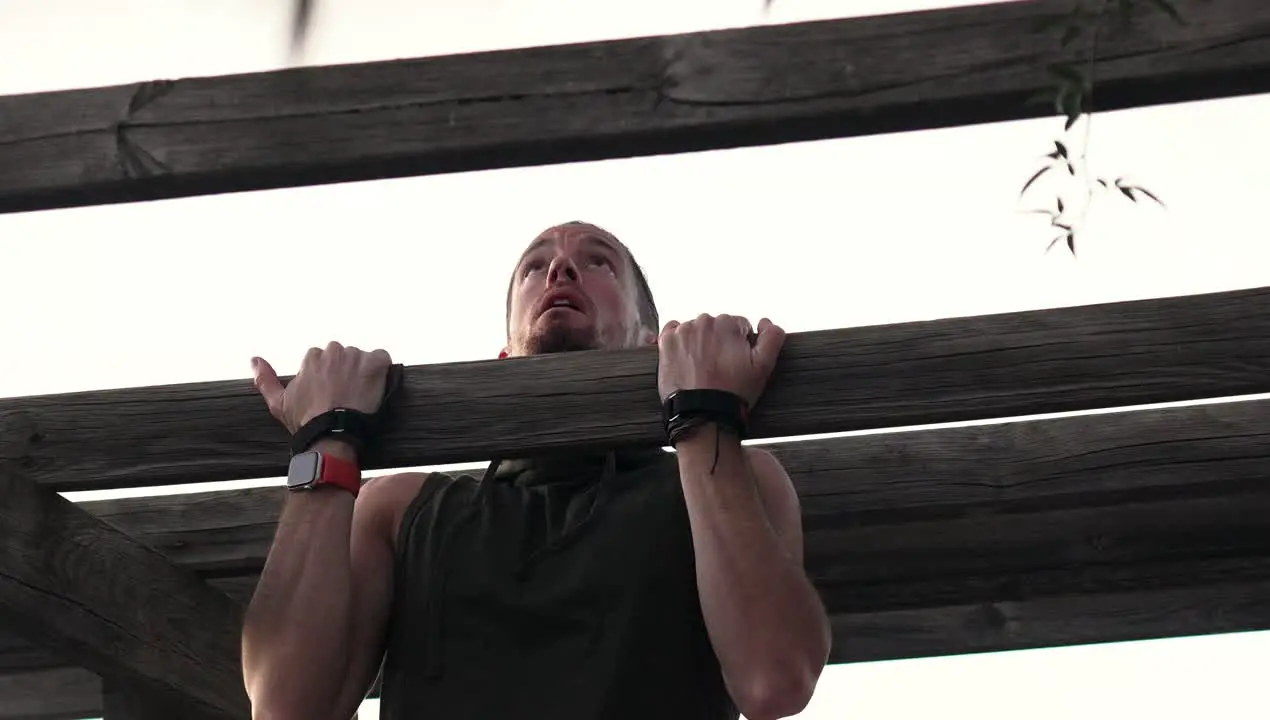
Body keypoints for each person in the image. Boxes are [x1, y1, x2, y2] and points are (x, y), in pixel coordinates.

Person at [240, 221, 832, 720]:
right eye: (535, 267)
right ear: (504, 356)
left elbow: (773, 680)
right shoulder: (400, 509)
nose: (561, 272)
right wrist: (330, 438)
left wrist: (703, 416)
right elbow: (285, 707)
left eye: (597, 262)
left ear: (653, 345)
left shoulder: (733, 479)